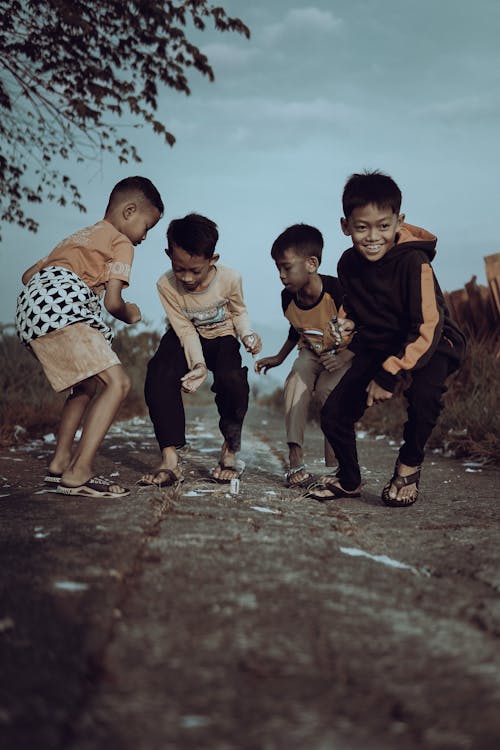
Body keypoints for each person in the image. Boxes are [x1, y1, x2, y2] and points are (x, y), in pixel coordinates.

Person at [308, 170, 466, 506]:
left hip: (433, 342)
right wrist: (344, 323)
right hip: (382, 341)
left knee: (425, 397)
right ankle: (349, 479)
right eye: (362, 227)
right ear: (345, 226)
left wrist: (388, 375)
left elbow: (426, 326)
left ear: (398, 221)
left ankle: (408, 465)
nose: (372, 236)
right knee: (334, 413)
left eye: (383, 225)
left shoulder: (414, 263)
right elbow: (355, 302)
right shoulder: (348, 264)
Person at [15, 176, 164, 498]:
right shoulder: (121, 242)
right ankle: (78, 471)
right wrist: (131, 313)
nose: (144, 236)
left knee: (86, 384)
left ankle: (59, 463)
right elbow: (112, 303)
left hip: (30, 312)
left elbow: (28, 276)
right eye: (147, 226)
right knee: (118, 383)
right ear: (129, 211)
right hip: (62, 307)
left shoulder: (77, 237)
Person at [141, 213, 262, 487]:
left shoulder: (230, 278)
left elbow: (239, 312)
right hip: (186, 336)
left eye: (195, 270)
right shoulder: (165, 285)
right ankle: (170, 460)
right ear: (168, 254)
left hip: (223, 336)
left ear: (212, 260)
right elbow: (184, 329)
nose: (186, 277)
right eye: (179, 268)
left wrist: (247, 334)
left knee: (233, 380)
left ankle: (230, 448)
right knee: (159, 373)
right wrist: (198, 365)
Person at [255, 224, 354, 488]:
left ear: (311, 264)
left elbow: (365, 327)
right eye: (278, 268)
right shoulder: (287, 298)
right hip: (311, 351)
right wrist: (279, 357)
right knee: (295, 383)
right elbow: (296, 327)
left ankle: (339, 465)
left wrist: (345, 358)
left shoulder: (338, 291)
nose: (281, 275)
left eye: (287, 267)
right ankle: (295, 460)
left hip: (344, 353)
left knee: (327, 394)